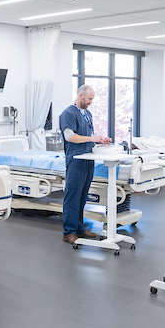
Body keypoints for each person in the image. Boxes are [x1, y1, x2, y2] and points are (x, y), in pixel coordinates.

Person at [59, 84, 112, 245]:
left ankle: (79, 228)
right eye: (89, 99)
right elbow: (70, 136)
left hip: (88, 160)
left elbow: (89, 134)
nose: (91, 102)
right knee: (72, 196)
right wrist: (91, 139)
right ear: (81, 96)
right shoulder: (68, 113)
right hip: (75, 160)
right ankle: (69, 232)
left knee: (82, 196)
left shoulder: (87, 114)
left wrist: (100, 140)